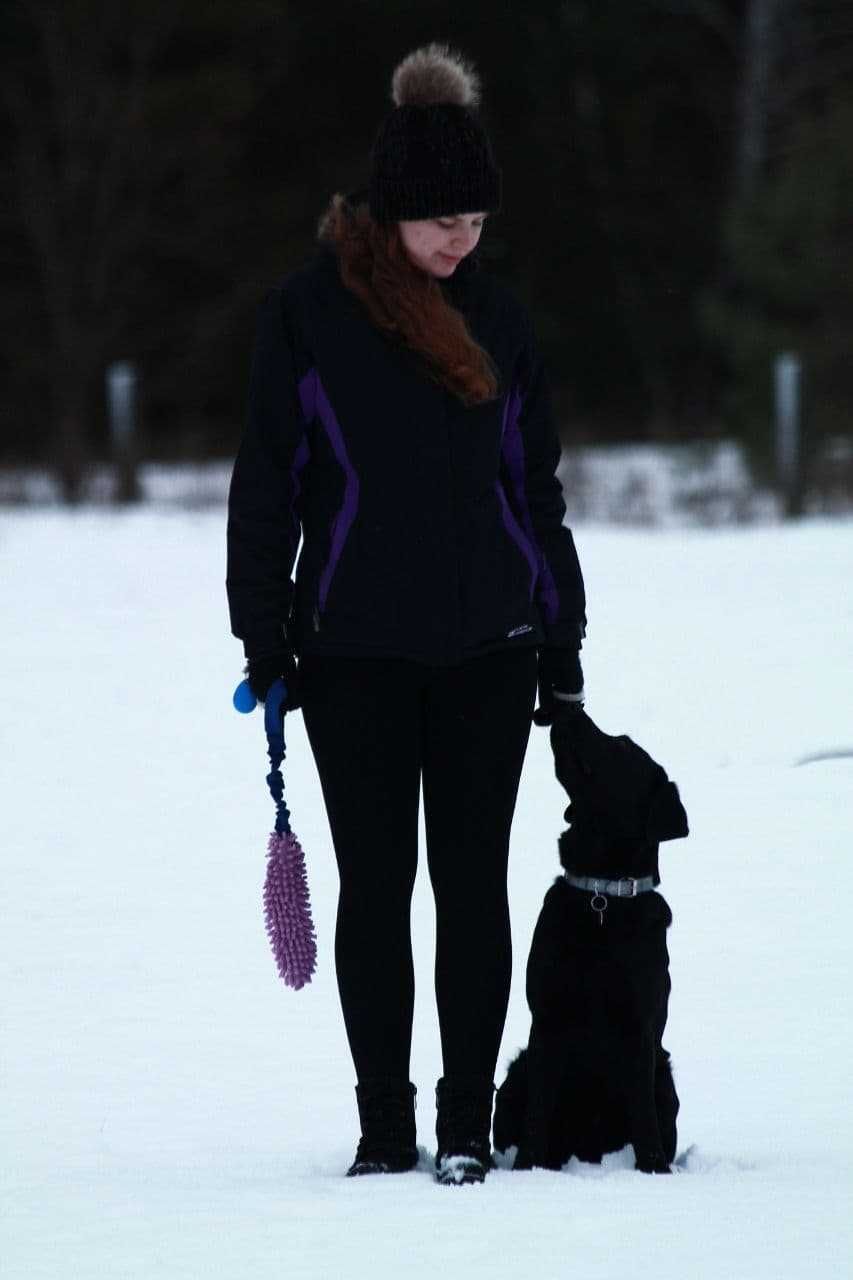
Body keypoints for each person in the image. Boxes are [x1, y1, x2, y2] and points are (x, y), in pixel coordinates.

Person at [226, 42, 587, 1186]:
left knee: (473, 886)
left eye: (476, 222)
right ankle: (386, 1121)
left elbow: (535, 488)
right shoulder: (309, 317)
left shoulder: (503, 319)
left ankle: (468, 1119)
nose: (461, 242)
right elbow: (267, 480)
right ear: (391, 214)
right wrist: (264, 628)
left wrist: (560, 628)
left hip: (489, 647)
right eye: (442, 223)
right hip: (352, 655)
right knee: (377, 889)